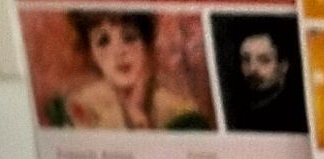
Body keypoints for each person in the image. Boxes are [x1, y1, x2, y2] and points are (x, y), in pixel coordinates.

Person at [50, 8, 209, 130]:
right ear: (91, 54)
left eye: (129, 37)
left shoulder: (180, 114)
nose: (119, 52)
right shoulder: (78, 109)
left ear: (145, 45)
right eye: (103, 41)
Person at [221, 20, 304, 135]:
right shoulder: (234, 108)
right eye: (246, 59)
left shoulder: (295, 115)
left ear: (283, 66)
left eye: (264, 60)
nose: (252, 68)